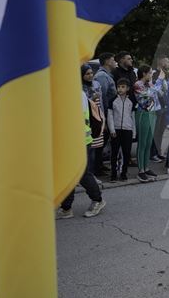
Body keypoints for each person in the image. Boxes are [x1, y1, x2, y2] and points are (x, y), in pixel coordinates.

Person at [56, 87, 106, 219]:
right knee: (68, 174)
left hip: (79, 140)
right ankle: (66, 208)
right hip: (72, 140)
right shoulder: (71, 91)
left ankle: (98, 200)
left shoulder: (73, 93)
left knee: (82, 174)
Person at [133, 64, 165, 182]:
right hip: (143, 114)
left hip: (152, 113)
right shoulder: (138, 84)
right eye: (150, 73)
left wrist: (162, 82)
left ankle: (146, 168)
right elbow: (149, 94)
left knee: (148, 143)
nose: (152, 75)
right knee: (142, 143)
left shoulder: (150, 84)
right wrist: (160, 80)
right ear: (144, 73)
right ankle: (140, 170)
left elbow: (159, 93)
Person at [106, 79, 136, 181]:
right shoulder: (113, 100)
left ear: (127, 88)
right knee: (114, 153)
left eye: (123, 87)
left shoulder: (131, 101)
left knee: (126, 153)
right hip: (116, 130)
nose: (120, 89)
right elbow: (110, 116)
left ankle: (123, 173)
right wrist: (112, 130)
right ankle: (113, 174)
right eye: (118, 87)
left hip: (128, 130)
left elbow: (133, 117)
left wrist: (134, 132)